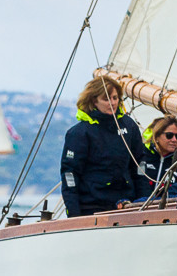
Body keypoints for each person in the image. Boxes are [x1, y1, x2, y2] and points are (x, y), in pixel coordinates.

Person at [60, 75, 144, 217]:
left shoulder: (129, 126)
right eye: (106, 99)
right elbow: (70, 175)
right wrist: (74, 215)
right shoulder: (79, 133)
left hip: (126, 205)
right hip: (92, 207)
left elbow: (140, 166)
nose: (112, 103)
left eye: (115, 98)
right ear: (94, 101)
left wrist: (144, 202)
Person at [139, 116, 177, 199]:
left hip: (166, 205)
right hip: (138, 203)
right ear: (157, 136)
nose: (174, 140)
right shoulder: (141, 154)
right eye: (169, 135)